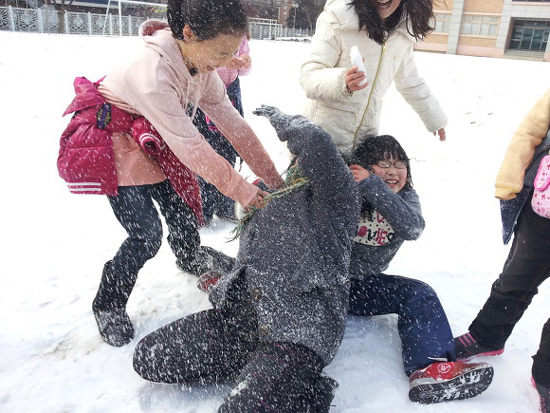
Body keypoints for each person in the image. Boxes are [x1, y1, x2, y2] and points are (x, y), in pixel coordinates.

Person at [56, 0, 283, 348]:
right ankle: (109, 304)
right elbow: (193, 149)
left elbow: (234, 127)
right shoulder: (154, 73)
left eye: (232, 51)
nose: (225, 62)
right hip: (116, 141)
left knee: (182, 208)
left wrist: (274, 180)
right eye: (221, 50)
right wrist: (248, 195)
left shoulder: (201, 66)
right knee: (145, 235)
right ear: (189, 34)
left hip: (154, 136)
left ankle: (190, 255)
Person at [133, 105, 361, 412]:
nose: (298, 166)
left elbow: (316, 142)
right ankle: (271, 378)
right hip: (241, 320)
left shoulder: (337, 204)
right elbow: (258, 262)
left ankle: (291, 383)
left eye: (306, 162)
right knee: (150, 356)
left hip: (295, 332)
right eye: (294, 162)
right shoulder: (271, 197)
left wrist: (283, 119)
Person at [347, 135, 494, 404]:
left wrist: (373, 186)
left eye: (400, 164)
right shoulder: (348, 192)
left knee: (419, 293)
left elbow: (412, 227)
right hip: (325, 284)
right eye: (382, 163)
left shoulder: (406, 198)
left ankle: (433, 368)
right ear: (362, 167)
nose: (393, 171)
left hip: (361, 286)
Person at [454, 89, 550, 412]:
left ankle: (547, 374)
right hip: (544, 209)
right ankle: (487, 335)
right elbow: (530, 130)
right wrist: (510, 177)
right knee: (516, 279)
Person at [300, 0, 447, 160]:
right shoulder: (339, 20)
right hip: (322, 138)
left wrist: (434, 117)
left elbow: (410, 81)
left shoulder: (402, 31)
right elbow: (309, 76)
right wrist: (343, 82)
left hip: (365, 141)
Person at [193, 31, 253, 225]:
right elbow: (198, 61)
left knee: (228, 151)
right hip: (206, 93)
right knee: (207, 155)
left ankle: (225, 204)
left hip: (231, 96)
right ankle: (204, 207)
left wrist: (245, 63)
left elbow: (244, 71)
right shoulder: (207, 28)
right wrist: (223, 62)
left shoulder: (239, 34)